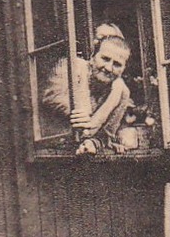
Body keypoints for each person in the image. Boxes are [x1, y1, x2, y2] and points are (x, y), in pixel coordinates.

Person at [43, 26, 134, 154]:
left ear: (124, 69)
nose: (108, 68)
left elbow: (106, 134)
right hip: (50, 150)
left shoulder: (121, 91)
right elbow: (51, 98)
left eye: (117, 64)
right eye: (105, 59)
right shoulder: (72, 66)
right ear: (93, 56)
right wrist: (76, 112)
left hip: (82, 155)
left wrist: (93, 143)